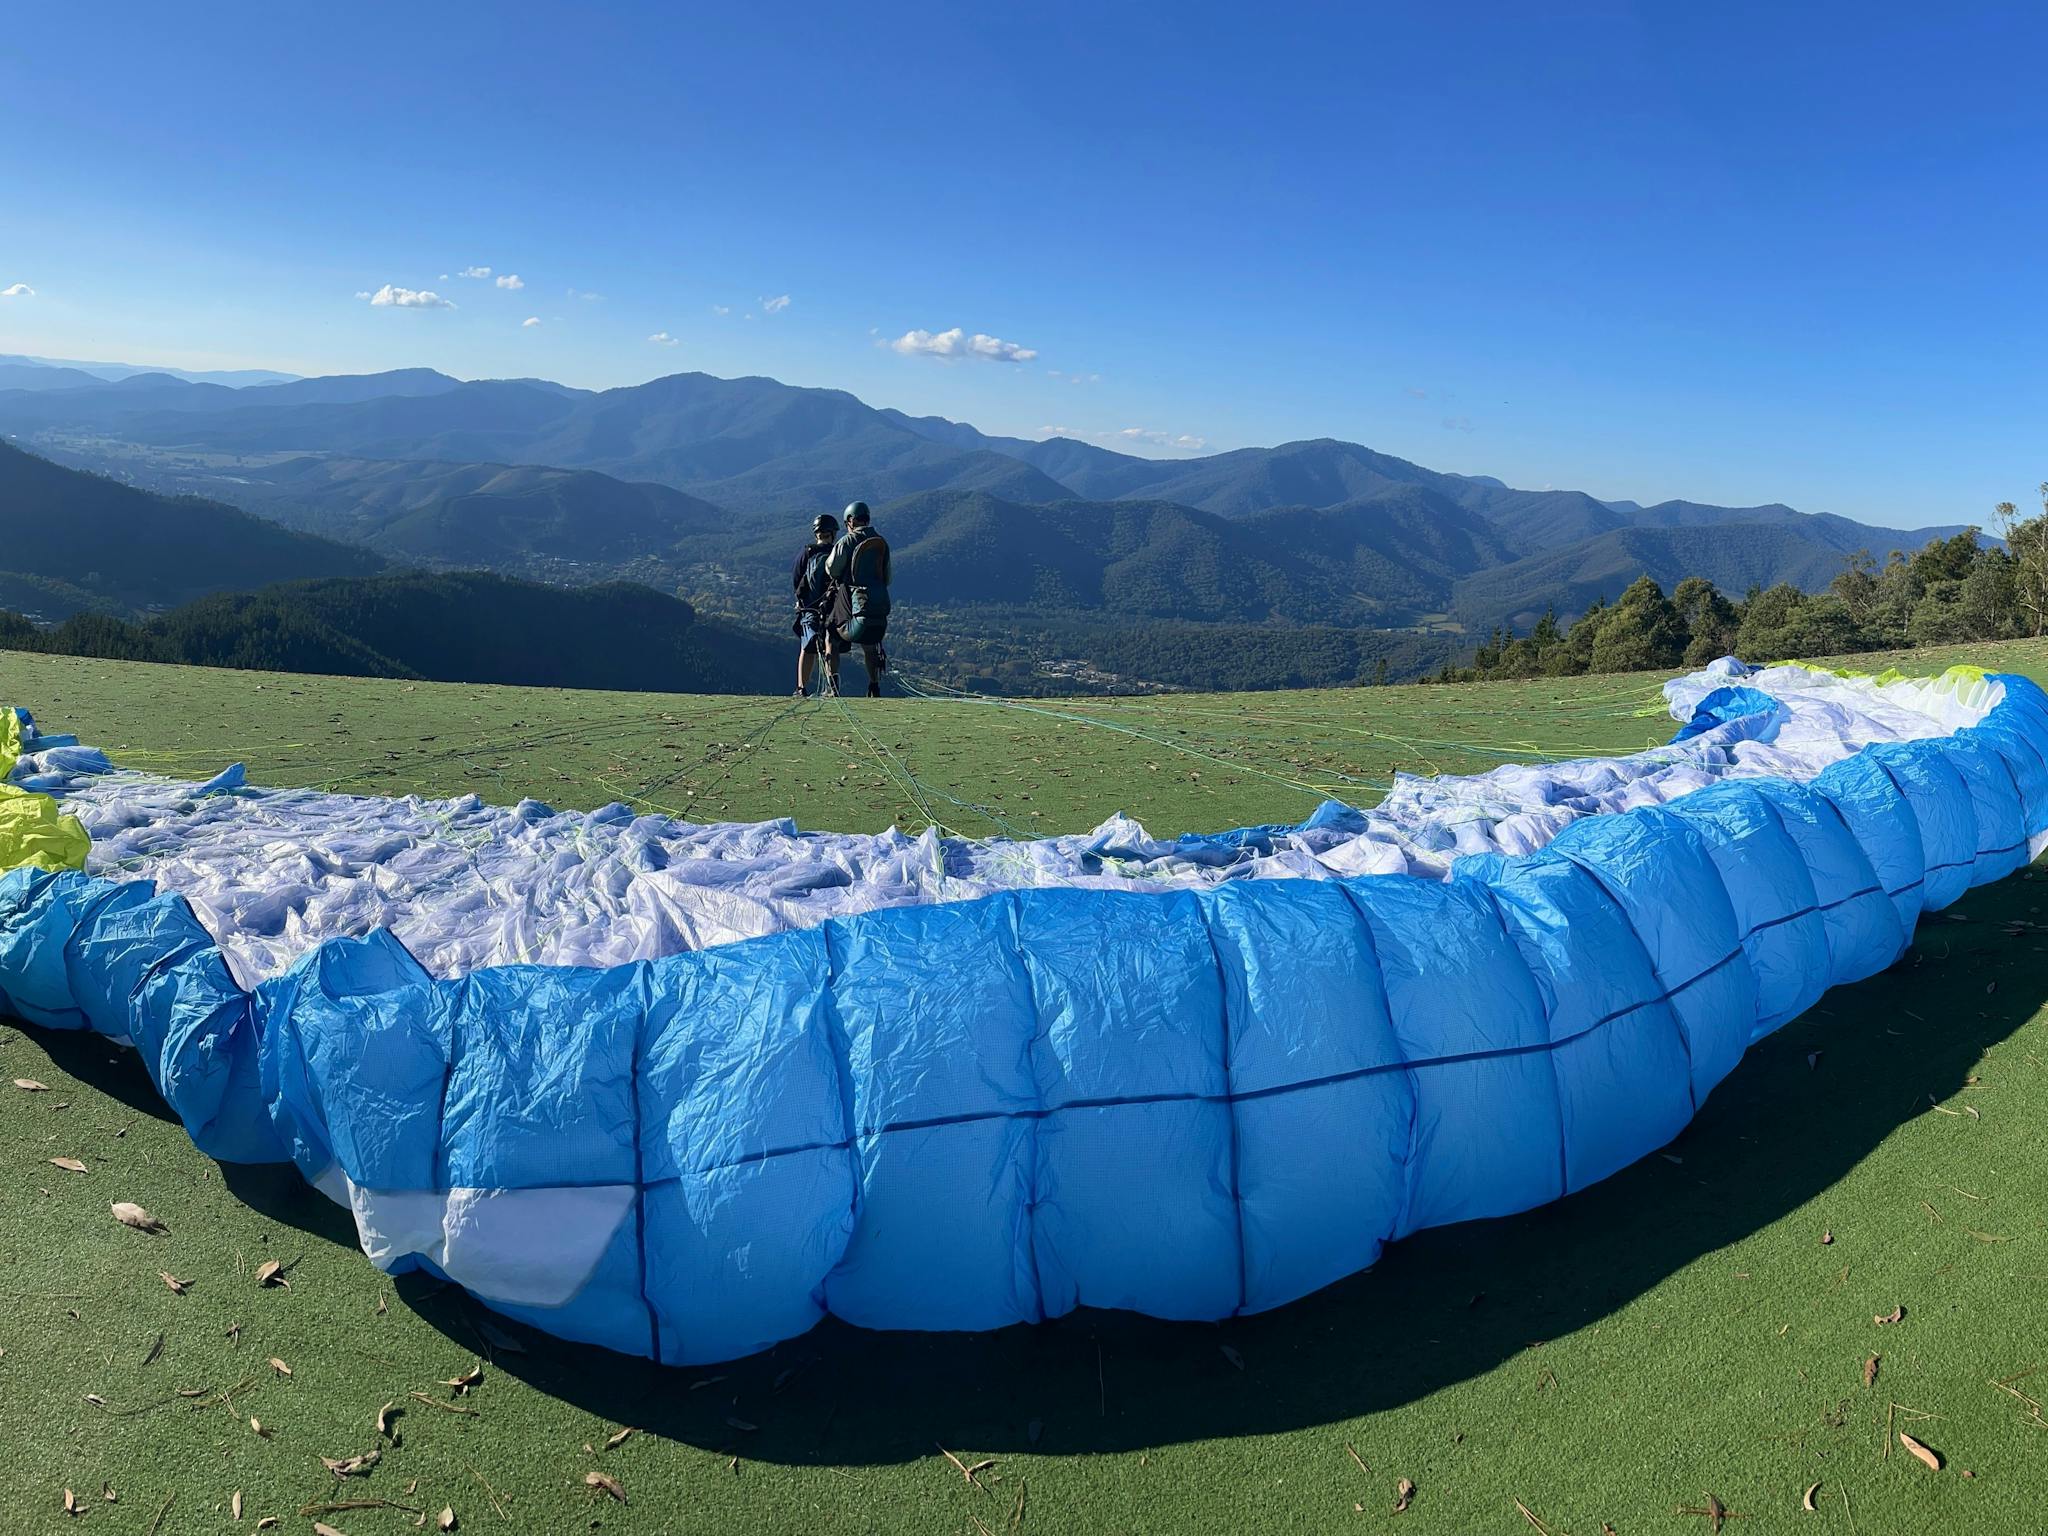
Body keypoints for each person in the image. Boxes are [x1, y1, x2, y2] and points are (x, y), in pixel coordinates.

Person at [825, 500, 891, 697]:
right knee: (869, 647)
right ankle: (874, 686)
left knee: (831, 633)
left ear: (851, 521)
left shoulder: (847, 541)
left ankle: (832, 684)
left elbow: (832, 569)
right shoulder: (881, 542)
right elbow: (887, 577)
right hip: (877, 603)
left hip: (849, 598)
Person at [791, 511, 842, 696]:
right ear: (833, 533)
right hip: (833, 607)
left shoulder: (807, 552)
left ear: (816, 533)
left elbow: (797, 580)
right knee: (831, 642)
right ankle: (832, 684)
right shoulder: (837, 551)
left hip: (810, 607)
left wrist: (801, 601)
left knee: (807, 647)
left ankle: (801, 688)